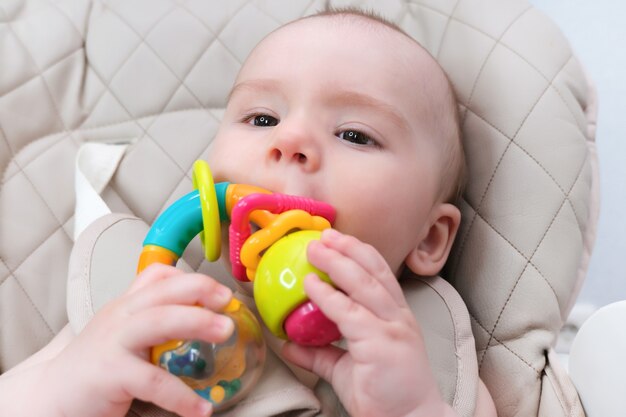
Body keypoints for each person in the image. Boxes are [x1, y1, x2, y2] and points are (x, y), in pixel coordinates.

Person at [0, 9, 497, 417]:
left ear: (430, 239)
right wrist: (66, 388)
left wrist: (412, 409)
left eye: (354, 134)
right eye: (262, 118)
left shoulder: (431, 365)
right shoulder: (147, 307)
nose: (290, 140)